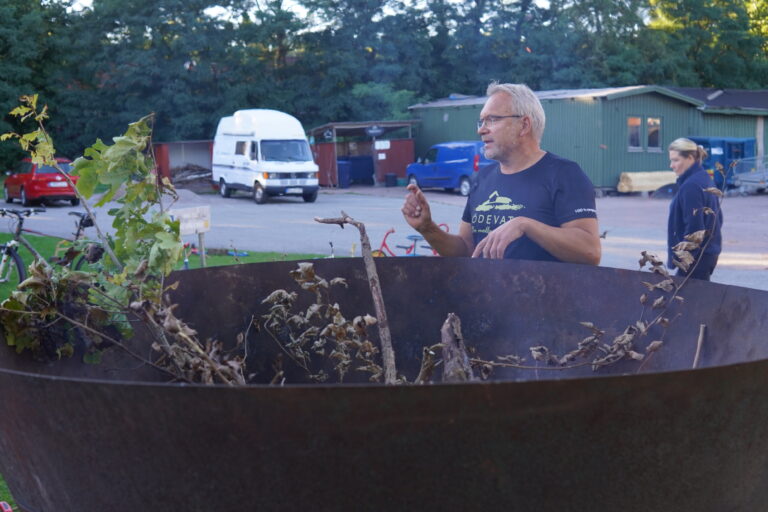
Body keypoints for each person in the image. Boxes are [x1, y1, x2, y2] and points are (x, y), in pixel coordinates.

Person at [401, 82, 601, 264]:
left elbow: (590, 251)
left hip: (544, 303)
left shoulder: (564, 174)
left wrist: (525, 225)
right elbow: (466, 250)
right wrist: (427, 228)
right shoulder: (483, 177)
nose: (482, 130)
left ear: (524, 125)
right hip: (489, 302)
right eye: (481, 122)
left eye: (492, 120)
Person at [666, 138, 723, 280]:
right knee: (701, 300)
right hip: (706, 255)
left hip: (694, 260)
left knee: (683, 300)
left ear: (690, 158)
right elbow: (719, 218)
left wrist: (685, 261)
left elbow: (694, 229)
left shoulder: (691, 186)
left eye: (676, 160)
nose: (671, 165)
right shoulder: (704, 178)